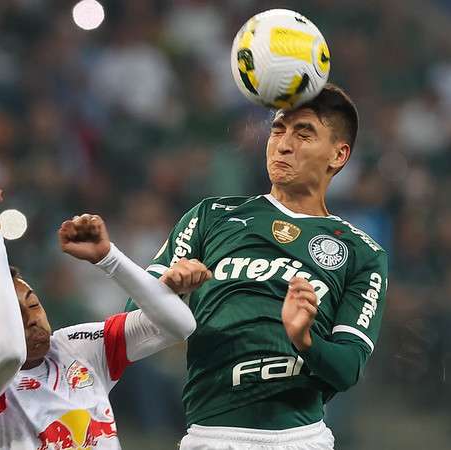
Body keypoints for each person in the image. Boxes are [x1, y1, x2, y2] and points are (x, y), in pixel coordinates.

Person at [125, 84, 388, 449]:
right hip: (211, 437)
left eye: (303, 133)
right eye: (278, 130)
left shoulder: (361, 251)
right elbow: (129, 328)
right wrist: (170, 288)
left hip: (300, 439)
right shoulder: (210, 217)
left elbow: (348, 368)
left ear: (338, 155)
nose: (283, 144)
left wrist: (305, 340)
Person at [0, 182, 211, 450]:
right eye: (14, 314)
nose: (32, 319)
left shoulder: (79, 348)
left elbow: (180, 326)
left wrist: (109, 258)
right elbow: (7, 353)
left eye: (34, 305)